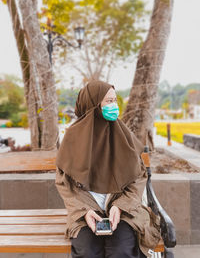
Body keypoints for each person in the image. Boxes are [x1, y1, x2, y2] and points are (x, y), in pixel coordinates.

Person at [55, 80, 161, 258]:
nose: (114, 106)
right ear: (93, 105)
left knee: (122, 251)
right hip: (85, 211)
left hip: (124, 210)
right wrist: (85, 211)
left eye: (115, 101)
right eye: (109, 102)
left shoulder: (123, 135)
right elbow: (64, 183)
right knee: (87, 251)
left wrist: (120, 207)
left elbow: (139, 177)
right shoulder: (72, 139)